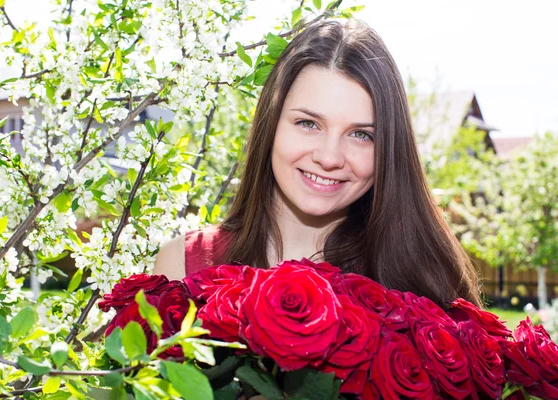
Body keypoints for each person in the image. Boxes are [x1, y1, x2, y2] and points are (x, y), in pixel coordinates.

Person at [153, 19, 482, 308]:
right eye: (308, 124)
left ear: (389, 149)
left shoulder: (425, 282)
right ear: (271, 124)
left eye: (361, 135)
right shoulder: (181, 267)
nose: (329, 157)